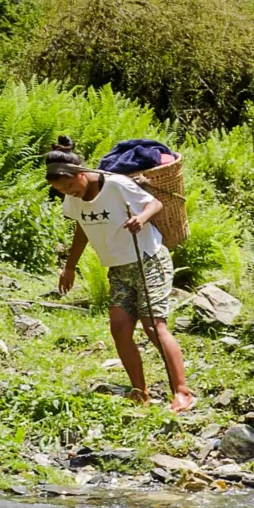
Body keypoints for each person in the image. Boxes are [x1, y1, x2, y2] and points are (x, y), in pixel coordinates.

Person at [43, 137, 195, 413]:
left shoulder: (116, 184)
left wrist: (141, 218)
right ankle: (140, 392)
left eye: (68, 185)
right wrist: (69, 266)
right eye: (61, 190)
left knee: (153, 327)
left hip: (149, 259)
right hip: (119, 268)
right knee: (120, 329)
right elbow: (81, 229)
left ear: (81, 174)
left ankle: (183, 392)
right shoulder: (73, 198)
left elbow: (155, 205)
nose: (68, 192)